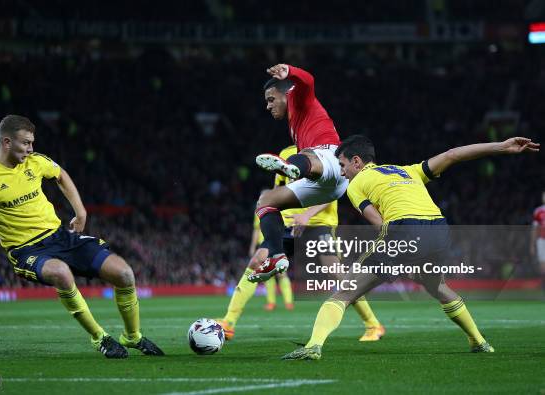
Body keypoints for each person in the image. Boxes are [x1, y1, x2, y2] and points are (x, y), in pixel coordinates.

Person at [282, 135, 539, 360]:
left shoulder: (356, 184)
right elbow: (452, 155)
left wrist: (392, 260)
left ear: (357, 161)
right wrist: (501, 147)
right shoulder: (409, 170)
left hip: (404, 230)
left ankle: (313, 346)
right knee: (436, 286)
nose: (341, 172)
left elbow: (380, 224)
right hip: (439, 231)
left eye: (342, 165)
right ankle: (479, 341)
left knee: (344, 292)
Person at [0, 115, 164, 359]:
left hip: (60, 237)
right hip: (26, 251)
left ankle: (132, 336)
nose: (31, 149)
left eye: (32, 143)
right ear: (7, 142)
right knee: (61, 273)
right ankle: (100, 338)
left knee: (125, 274)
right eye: (26, 143)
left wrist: (80, 210)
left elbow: (61, 175)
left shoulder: (35, 162)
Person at [219, 145, 384, 342]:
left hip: (319, 224)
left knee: (336, 272)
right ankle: (228, 322)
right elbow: (278, 191)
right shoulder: (286, 154)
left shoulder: (327, 153)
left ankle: (373, 324)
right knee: (257, 261)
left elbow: (334, 190)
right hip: (289, 224)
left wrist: (307, 214)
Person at [249, 64, 349, 283]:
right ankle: (277, 256)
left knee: (309, 156)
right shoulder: (295, 122)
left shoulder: (298, 97)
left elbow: (309, 81)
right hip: (325, 187)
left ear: (286, 93)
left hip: (332, 158)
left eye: (271, 99)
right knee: (265, 201)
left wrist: (290, 71)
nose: (268, 106)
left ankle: (293, 167)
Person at [531, 191, 545, 296]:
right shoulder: (538, 211)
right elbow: (534, 229)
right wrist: (532, 244)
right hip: (542, 240)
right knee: (542, 264)